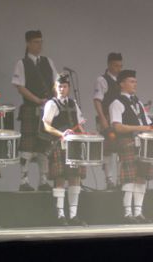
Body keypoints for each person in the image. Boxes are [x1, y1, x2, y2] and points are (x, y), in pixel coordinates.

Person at [12, 30, 58, 192]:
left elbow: (56, 82)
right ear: (28, 43)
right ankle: (24, 180)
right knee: (27, 145)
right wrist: (37, 100)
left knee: (44, 145)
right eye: (36, 42)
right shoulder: (22, 63)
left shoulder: (47, 61)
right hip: (31, 109)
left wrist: (53, 98)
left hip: (47, 109)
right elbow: (20, 87)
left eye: (41, 41)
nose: (40, 45)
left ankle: (43, 180)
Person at [109, 70, 153, 223]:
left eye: (135, 81)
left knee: (141, 177)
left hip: (142, 143)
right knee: (129, 179)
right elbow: (117, 127)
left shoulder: (138, 102)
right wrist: (139, 128)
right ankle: (127, 214)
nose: (134, 84)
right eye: (131, 81)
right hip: (127, 142)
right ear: (122, 84)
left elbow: (147, 124)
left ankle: (138, 213)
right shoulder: (117, 103)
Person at [42, 73, 88, 226]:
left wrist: (84, 133)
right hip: (59, 144)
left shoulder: (73, 104)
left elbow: (79, 123)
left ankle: (73, 216)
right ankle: (60, 215)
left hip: (74, 145)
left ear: (68, 88)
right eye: (59, 86)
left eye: (65, 86)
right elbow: (46, 125)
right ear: (55, 87)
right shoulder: (51, 104)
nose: (62, 89)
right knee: (60, 178)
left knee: (75, 178)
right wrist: (61, 133)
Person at [93, 53, 123, 190]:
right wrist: (103, 119)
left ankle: (118, 180)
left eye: (120, 66)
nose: (118, 68)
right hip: (106, 118)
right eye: (116, 65)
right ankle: (108, 180)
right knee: (108, 151)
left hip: (119, 120)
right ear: (109, 65)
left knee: (119, 150)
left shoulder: (121, 81)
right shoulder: (102, 80)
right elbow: (97, 100)